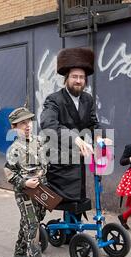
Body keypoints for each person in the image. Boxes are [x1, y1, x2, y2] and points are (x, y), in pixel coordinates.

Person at [40, 47, 110, 218]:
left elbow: (93, 123)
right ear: (66, 79)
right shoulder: (54, 99)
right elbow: (48, 124)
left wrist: (100, 137)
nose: (78, 81)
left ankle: (72, 233)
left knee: (78, 200)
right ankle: (55, 228)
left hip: (78, 158)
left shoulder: (87, 99)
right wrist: (75, 139)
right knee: (65, 200)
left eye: (81, 77)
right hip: (59, 160)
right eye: (74, 77)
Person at [4, 106, 53, 257]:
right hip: (25, 191)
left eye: (29, 122)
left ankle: (19, 252)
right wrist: (24, 182)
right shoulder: (14, 149)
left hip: (40, 189)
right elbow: (9, 174)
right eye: (22, 123)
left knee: (32, 221)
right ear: (13, 127)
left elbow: (44, 164)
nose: (27, 125)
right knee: (32, 225)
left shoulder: (38, 142)